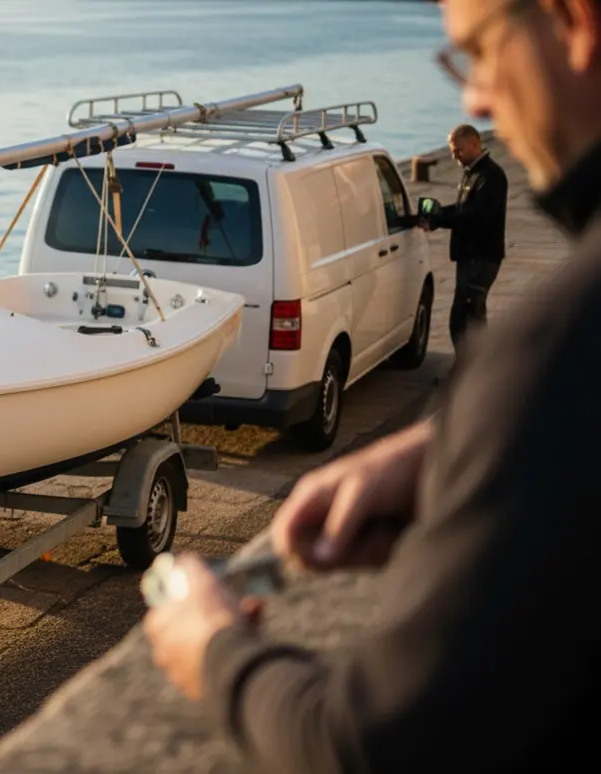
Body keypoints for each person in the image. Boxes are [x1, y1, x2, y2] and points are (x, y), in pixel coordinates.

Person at [142, 1, 601, 772]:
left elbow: (375, 741)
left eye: (479, 52)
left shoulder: (557, 353)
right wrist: (453, 450)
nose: (477, 98)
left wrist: (215, 650)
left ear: (573, 20)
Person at [421, 123, 510, 352]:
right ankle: (474, 367)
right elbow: (462, 208)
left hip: (481, 257)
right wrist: (438, 214)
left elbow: (475, 216)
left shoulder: (491, 176)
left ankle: (469, 368)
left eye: (458, 150)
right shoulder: (471, 173)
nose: (454, 156)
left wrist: (440, 221)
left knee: (465, 315)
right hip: (469, 256)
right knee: (472, 314)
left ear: (475, 144)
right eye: (452, 151)